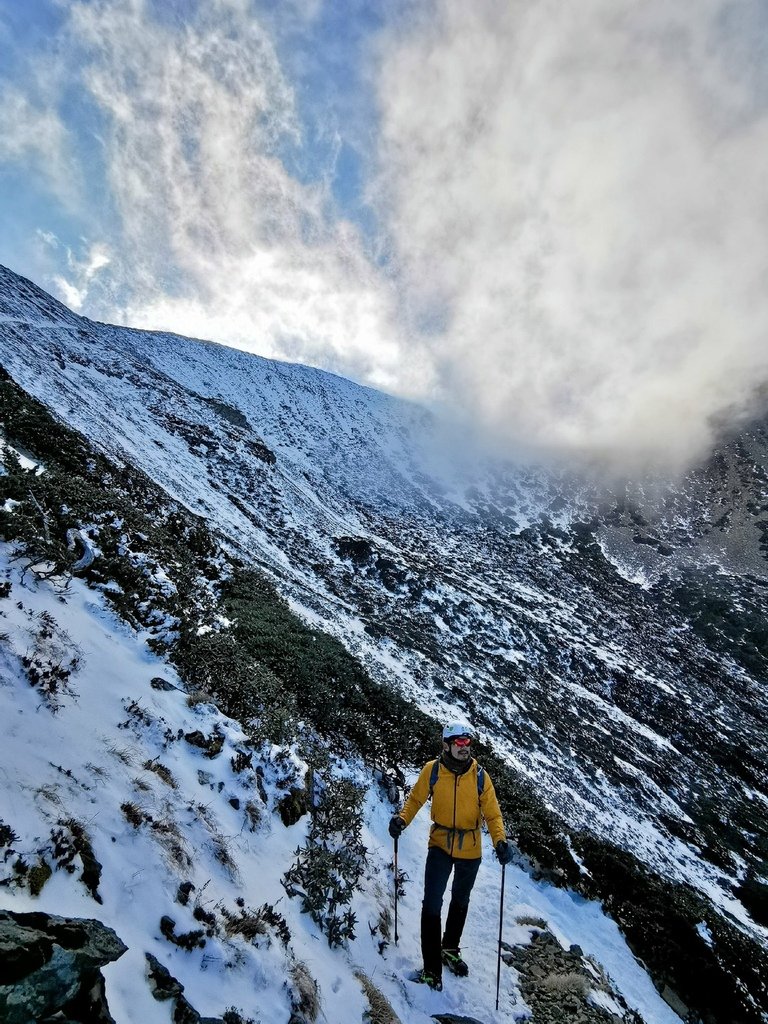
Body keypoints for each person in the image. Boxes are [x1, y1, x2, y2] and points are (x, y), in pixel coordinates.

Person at [389, 720, 512, 990]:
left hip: (471, 848)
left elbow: (493, 814)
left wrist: (500, 841)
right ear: (446, 745)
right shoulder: (432, 771)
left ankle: (450, 948)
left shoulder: (480, 776)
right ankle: (432, 969)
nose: (464, 747)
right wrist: (401, 820)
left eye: (467, 742)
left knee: (460, 900)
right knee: (431, 904)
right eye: (459, 742)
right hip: (440, 845)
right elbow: (416, 800)